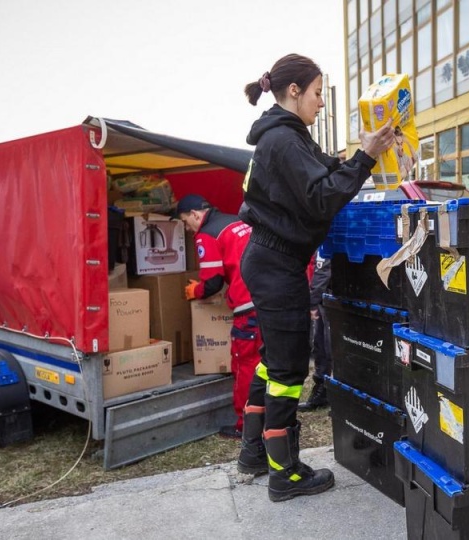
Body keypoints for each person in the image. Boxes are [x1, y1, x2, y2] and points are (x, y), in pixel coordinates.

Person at [236, 53, 395, 502]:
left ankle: (252, 452)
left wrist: (360, 151)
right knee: (287, 370)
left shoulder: (287, 137)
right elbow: (323, 198)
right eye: (319, 93)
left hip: (271, 260)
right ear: (294, 92)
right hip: (277, 264)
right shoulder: (283, 141)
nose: (322, 102)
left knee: (273, 359)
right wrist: (365, 158)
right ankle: (283, 474)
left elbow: (325, 168)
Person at [176, 193, 260, 441]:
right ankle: (266, 416)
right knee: (263, 365)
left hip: (248, 306)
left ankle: (246, 425)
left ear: (195, 215)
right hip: (268, 300)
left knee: (244, 365)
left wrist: (196, 291)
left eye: (184, 221)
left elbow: (212, 282)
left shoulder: (207, 233)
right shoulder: (237, 221)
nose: (187, 228)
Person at [298, 253, 332, 411]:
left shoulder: (326, 237)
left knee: (325, 346)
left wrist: (312, 302)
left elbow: (323, 270)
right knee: (321, 345)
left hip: (330, 298)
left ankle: (324, 390)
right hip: (329, 297)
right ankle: (322, 390)